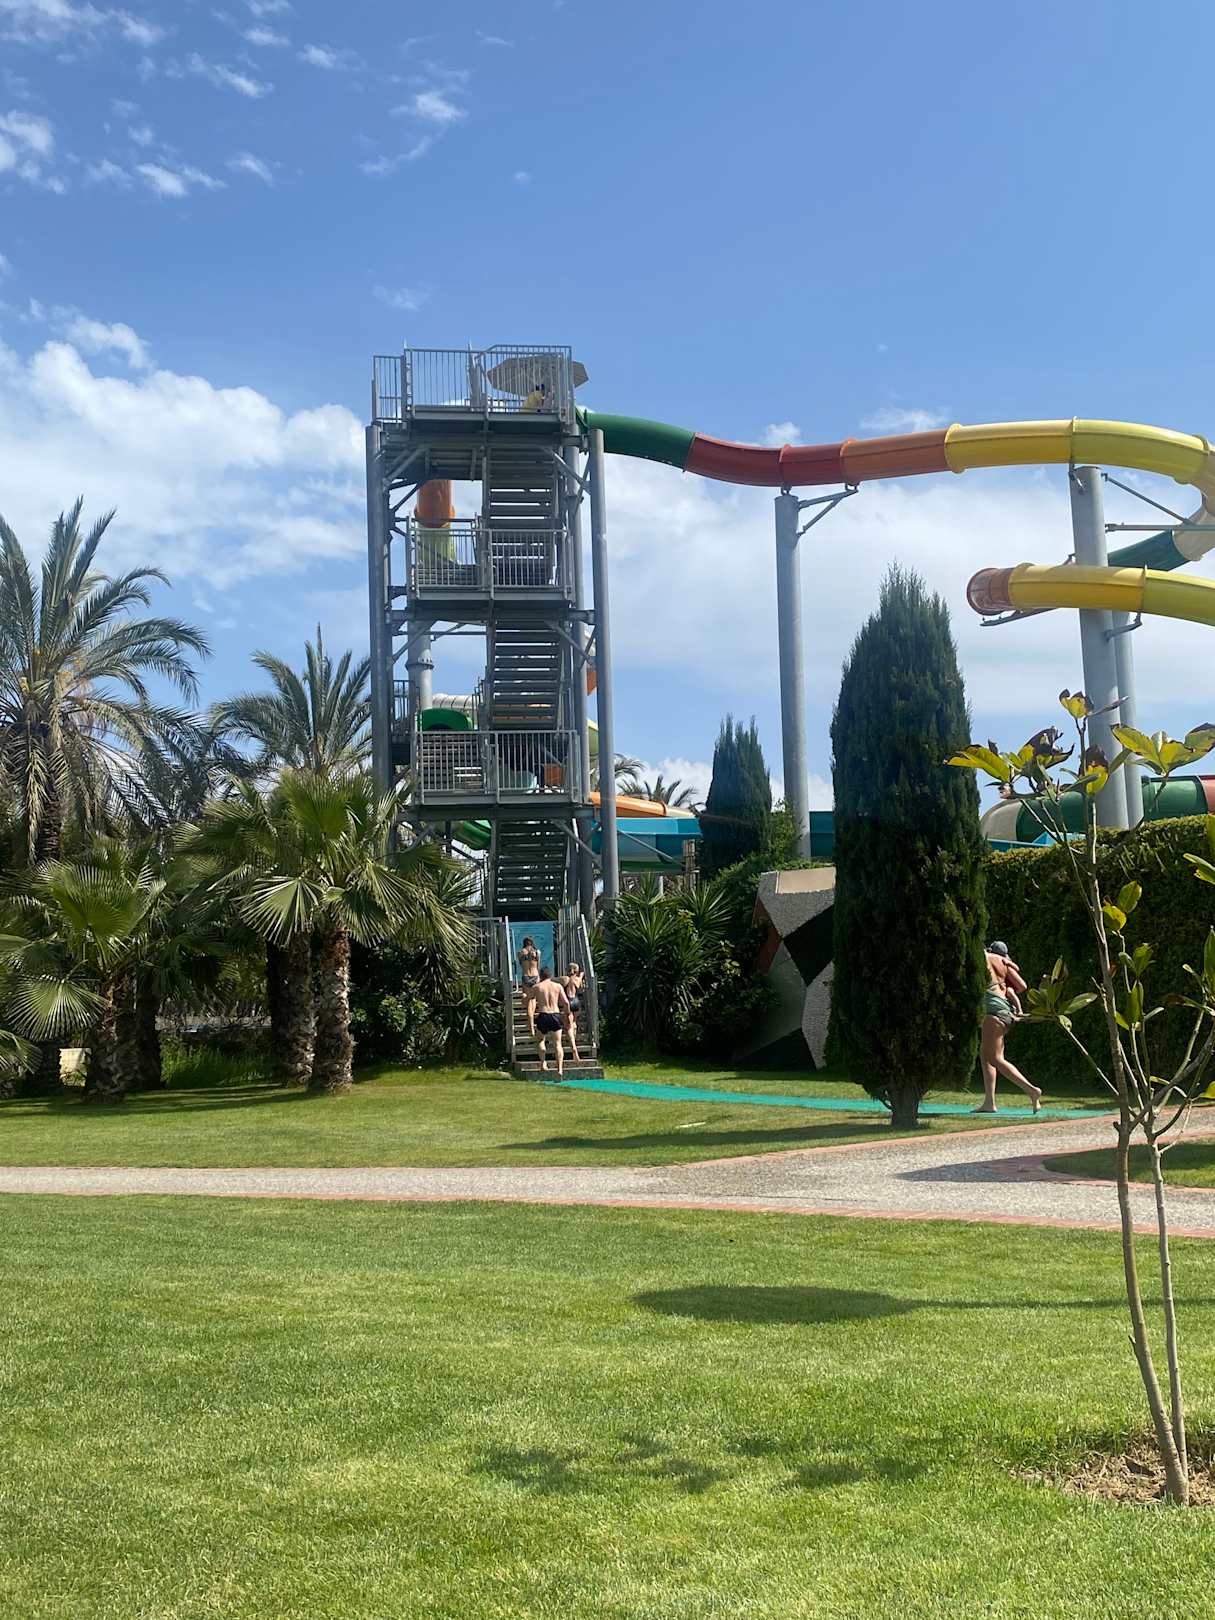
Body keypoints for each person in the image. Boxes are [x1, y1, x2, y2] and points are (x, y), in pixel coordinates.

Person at [978, 938, 1042, 1114]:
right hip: (1005, 1009)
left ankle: (1032, 1090)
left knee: (995, 1058)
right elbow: (1022, 986)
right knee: (985, 1054)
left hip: (993, 1011)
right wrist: (1006, 990)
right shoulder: (1004, 962)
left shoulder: (984, 957)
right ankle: (989, 1102)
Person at [526, 968, 571, 1077]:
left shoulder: (537, 987)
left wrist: (524, 998)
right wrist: (567, 1014)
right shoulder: (557, 986)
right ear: (550, 976)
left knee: (541, 1040)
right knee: (558, 1043)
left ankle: (543, 1063)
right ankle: (559, 1069)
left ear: (540, 976)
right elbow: (566, 1003)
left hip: (543, 1015)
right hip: (555, 1015)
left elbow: (528, 999)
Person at [560, 961, 585, 1063]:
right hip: (576, 1001)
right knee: (574, 1023)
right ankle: (573, 1040)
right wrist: (581, 975)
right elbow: (580, 987)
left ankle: (574, 1048)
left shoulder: (565, 979)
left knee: (568, 1027)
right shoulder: (577, 979)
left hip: (568, 1001)